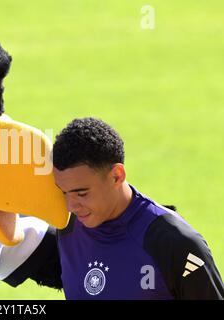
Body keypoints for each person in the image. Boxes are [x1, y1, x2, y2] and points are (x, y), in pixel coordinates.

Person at [52, 117, 224, 299]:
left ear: (117, 176)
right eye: (63, 192)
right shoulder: (67, 227)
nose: (71, 206)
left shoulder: (175, 243)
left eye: (81, 193)